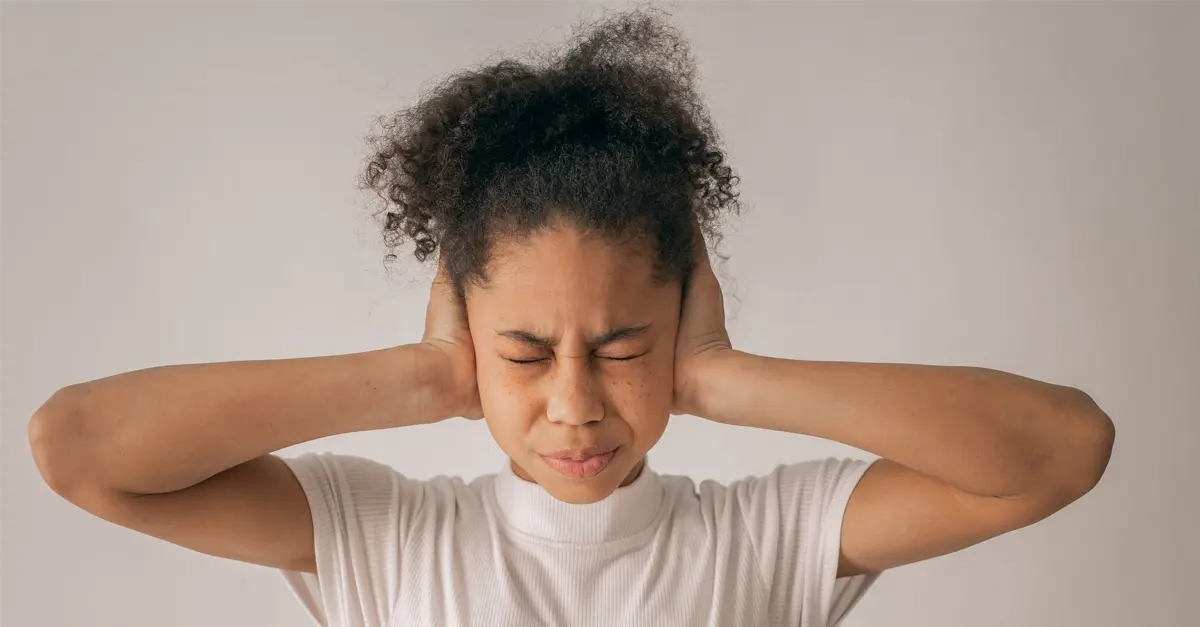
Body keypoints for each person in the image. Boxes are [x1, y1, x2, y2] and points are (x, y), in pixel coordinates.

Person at [28, 8, 1115, 627]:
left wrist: (725, 376)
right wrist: (422, 377)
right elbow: (79, 450)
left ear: (678, 325)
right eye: (526, 352)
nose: (575, 403)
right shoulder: (389, 541)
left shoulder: (766, 541)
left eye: (623, 346)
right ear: (469, 336)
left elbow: (1062, 450)